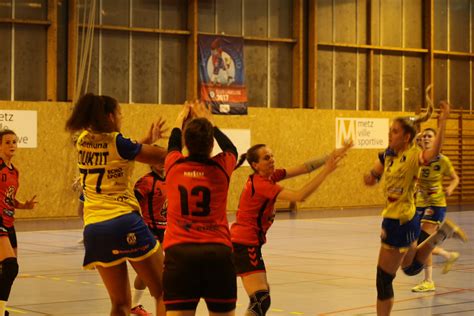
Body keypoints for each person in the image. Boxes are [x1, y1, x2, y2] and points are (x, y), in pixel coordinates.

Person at [65, 93, 168, 316]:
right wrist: (179, 134)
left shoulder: (82, 140)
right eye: (119, 114)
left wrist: (146, 139)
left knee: (120, 303)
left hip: (94, 228)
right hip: (123, 220)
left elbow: (121, 154)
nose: (120, 118)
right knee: (163, 291)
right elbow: (163, 157)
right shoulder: (116, 141)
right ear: (111, 116)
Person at [363, 101, 467, 316]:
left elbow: (432, 153)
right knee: (410, 268)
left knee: (384, 279)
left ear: (406, 137)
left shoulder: (412, 156)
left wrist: (444, 122)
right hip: (404, 219)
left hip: (399, 222)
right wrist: (371, 177)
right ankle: (441, 234)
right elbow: (373, 175)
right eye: (390, 130)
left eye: (394, 131)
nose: (390, 135)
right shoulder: (387, 154)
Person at [230, 141, 351, 316]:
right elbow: (299, 196)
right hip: (244, 243)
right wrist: (327, 170)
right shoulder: (262, 185)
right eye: (266, 158)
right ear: (255, 165)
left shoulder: (269, 177)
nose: (272, 160)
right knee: (260, 300)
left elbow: (304, 168)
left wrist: (330, 156)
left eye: (272, 155)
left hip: (245, 242)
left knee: (260, 299)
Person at [162, 101, 238, 315]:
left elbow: (173, 145)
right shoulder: (221, 167)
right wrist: (211, 123)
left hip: (180, 254)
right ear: (212, 145)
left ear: (186, 142)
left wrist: (179, 121)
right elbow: (232, 148)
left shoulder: (173, 165)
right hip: (217, 254)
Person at [411, 127, 460, 292]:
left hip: (436, 204)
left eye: (429, 136)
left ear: (436, 140)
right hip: (419, 204)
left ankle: (429, 280)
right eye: (424, 136)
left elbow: (455, 178)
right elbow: (413, 139)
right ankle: (448, 254)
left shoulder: (442, 160)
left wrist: (451, 188)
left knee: (423, 242)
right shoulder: (419, 157)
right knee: (418, 244)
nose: (425, 139)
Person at [0, 129, 37, 316]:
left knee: (8, 270)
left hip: (9, 222)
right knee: (10, 266)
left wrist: (24, 205)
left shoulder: (14, 171)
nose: (12, 145)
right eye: (7, 142)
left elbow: (8, 198)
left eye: (14, 141)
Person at [130, 155, 167, 316]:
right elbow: (132, 204)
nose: (162, 164)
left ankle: (134, 305)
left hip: (166, 229)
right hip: (149, 230)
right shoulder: (146, 182)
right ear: (150, 163)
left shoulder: (173, 178)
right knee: (157, 272)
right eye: (157, 160)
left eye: (163, 160)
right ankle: (160, 303)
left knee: (146, 273)